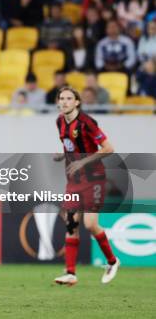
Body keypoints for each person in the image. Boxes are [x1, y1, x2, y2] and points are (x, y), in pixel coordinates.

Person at [53, 86, 119, 286]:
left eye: (69, 98)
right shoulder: (59, 122)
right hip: (74, 182)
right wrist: (61, 155)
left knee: (90, 224)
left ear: (77, 102)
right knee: (71, 224)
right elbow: (71, 147)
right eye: (61, 98)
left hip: (94, 178)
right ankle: (71, 273)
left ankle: (113, 261)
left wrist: (82, 162)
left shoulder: (87, 123)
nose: (64, 102)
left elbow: (109, 148)